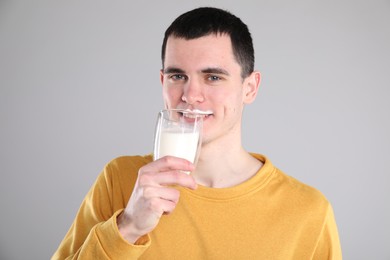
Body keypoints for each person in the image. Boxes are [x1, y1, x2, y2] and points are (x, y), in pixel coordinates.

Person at [52, 7, 342, 259]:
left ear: (250, 87)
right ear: (162, 81)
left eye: (213, 77)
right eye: (178, 76)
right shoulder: (119, 179)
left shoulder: (309, 212)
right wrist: (127, 227)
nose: (190, 95)